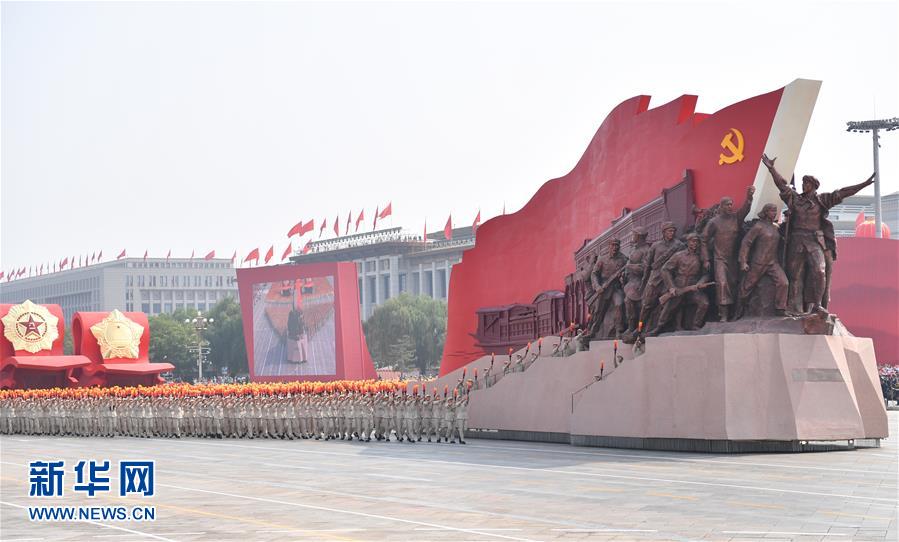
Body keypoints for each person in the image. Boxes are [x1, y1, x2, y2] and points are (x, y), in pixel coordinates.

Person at [761, 153, 874, 313]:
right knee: (794, 275)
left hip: (814, 240)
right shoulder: (795, 199)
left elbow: (842, 192)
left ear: (814, 185)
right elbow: (782, 186)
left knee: (819, 271)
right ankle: (794, 307)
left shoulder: (822, 200)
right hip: (796, 240)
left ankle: (817, 306)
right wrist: (772, 169)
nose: (803, 185)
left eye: (806, 183)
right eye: (803, 182)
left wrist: (863, 184)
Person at [701, 186, 755, 322]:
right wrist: (706, 259)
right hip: (719, 259)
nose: (730, 207)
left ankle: (734, 313)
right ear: (721, 206)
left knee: (733, 284)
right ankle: (723, 314)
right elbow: (704, 239)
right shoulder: (714, 222)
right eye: (727, 205)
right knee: (722, 284)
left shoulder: (736, 218)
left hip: (733, 259)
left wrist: (749, 197)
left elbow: (745, 210)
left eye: (731, 204)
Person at [650, 233, 710, 334]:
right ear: (687, 242)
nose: (695, 243)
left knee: (704, 303)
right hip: (679, 286)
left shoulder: (701, 258)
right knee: (669, 307)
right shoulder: (679, 255)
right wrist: (671, 287)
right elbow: (665, 269)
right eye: (692, 241)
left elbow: (706, 274)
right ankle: (658, 327)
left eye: (697, 241)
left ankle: (696, 325)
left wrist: (701, 283)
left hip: (693, 287)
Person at [738, 203, 789, 316]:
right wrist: (743, 261)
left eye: (775, 211)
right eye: (772, 211)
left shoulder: (776, 227)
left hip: (772, 262)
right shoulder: (758, 226)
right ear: (765, 212)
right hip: (759, 262)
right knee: (747, 287)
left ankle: (780, 309)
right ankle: (738, 310)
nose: (774, 213)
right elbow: (746, 243)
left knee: (783, 283)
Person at [639, 222, 685, 328]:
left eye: (673, 231)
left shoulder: (679, 246)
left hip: (670, 279)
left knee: (674, 302)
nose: (672, 233)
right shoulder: (656, 246)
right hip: (655, 278)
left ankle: (674, 326)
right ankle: (640, 327)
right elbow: (648, 263)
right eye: (669, 231)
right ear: (663, 232)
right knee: (646, 305)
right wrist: (645, 279)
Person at [623, 226, 651, 336]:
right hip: (629, 281)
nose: (632, 237)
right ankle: (631, 327)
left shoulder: (646, 250)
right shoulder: (633, 248)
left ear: (639, 236)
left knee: (629, 301)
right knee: (627, 302)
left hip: (639, 282)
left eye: (634, 234)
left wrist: (630, 267)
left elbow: (645, 268)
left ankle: (634, 327)